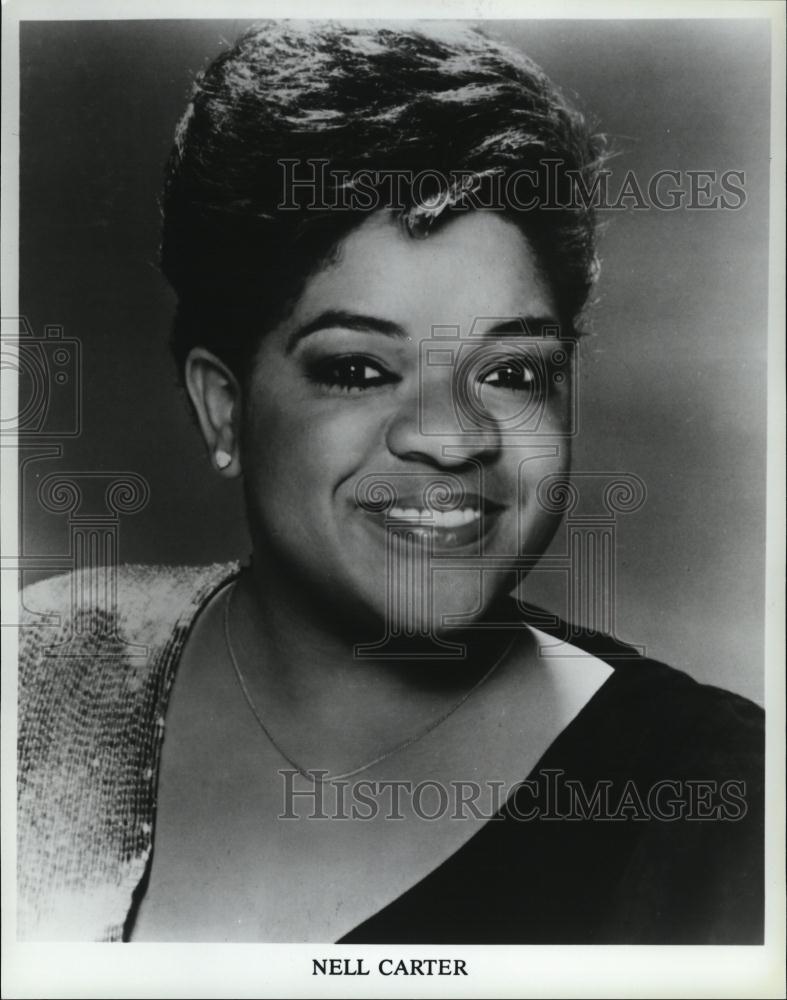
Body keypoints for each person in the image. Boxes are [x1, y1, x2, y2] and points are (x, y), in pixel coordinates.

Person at [17, 21, 763, 944]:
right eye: (359, 371)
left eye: (511, 373)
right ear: (223, 408)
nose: (450, 440)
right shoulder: (39, 679)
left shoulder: (720, 807)